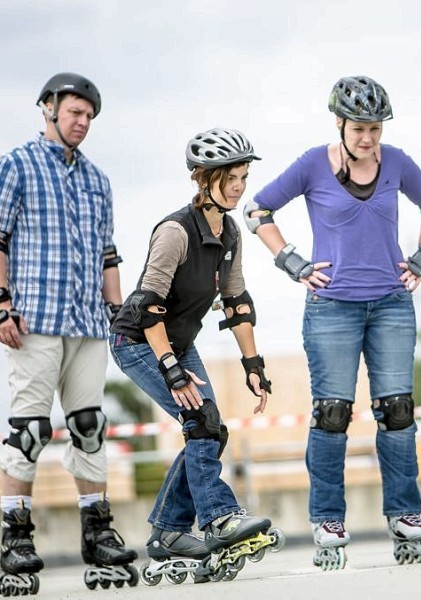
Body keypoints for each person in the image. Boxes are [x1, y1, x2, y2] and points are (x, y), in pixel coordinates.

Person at [245, 75, 421, 570]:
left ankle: (404, 516)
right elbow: (256, 209)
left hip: (392, 305)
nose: (368, 138)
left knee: (397, 411)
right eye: (359, 128)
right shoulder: (313, 163)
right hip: (332, 308)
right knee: (332, 415)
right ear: (339, 123)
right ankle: (328, 519)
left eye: (375, 128)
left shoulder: (395, 161)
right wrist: (290, 261)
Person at [109, 127, 284, 584]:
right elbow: (148, 308)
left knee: (212, 429)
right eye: (230, 177)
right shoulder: (174, 232)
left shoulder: (229, 233)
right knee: (201, 421)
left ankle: (168, 532)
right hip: (139, 342)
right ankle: (219, 517)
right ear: (202, 178)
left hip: (180, 342)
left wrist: (253, 365)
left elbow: (237, 301)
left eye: (243, 176)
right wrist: (171, 370)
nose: (238, 185)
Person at [0, 72, 138, 593]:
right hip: (33, 319)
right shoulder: (16, 165)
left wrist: (118, 312)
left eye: (88, 116)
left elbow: (108, 253)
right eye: (74, 112)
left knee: (89, 425)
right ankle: (15, 539)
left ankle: (97, 534)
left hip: (87, 322)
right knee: (29, 431)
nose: (82, 123)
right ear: (49, 109)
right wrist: (1, 305)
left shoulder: (98, 179)